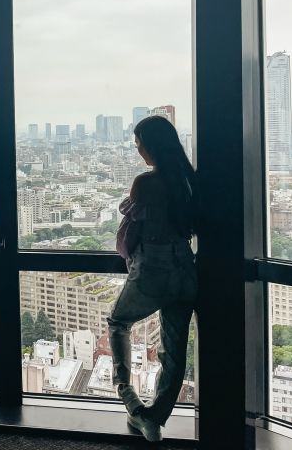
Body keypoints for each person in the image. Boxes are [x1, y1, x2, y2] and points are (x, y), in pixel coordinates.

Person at [108, 115, 199, 442]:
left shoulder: (145, 183)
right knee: (174, 353)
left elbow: (130, 232)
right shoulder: (189, 181)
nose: (138, 150)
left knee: (118, 322)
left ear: (152, 145)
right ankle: (155, 418)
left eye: (139, 143)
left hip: (153, 269)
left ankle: (130, 400)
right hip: (187, 269)